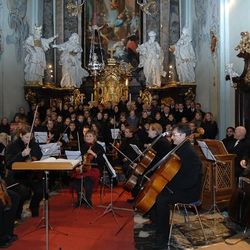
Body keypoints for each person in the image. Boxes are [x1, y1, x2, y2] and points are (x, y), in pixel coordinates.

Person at [147, 123, 202, 248]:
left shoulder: (189, 152)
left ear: (183, 135)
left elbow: (192, 179)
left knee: (161, 199)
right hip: (179, 186)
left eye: (174, 135)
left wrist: (170, 186)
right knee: (158, 193)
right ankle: (159, 224)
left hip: (189, 191)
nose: (172, 137)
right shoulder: (179, 147)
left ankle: (163, 237)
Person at [5, 125, 43, 218]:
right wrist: (21, 154)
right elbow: (9, 163)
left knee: (40, 191)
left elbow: (39, 154)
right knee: (24, 193)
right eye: (26, 137)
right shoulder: (12, 146)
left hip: (30, 175)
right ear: (21, 135)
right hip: (17, 176)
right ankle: (17, 213)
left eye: (31, 137)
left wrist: (34, 157)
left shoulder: (33, 143)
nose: (29, 139)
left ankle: (33, 207)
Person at [70, 130, 105, 208]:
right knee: (76, 180)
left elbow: (102, 161)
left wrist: (94, 154)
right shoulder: (83, 146)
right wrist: (79, 165)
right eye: (87, 136)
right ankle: (80, 199)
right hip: (83, 168)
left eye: (90, 136)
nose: (88, 138)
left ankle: (88, 200)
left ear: (94, 137)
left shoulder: (99, 147)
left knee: (87, 180)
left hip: (95, 169)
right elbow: (80, 159)